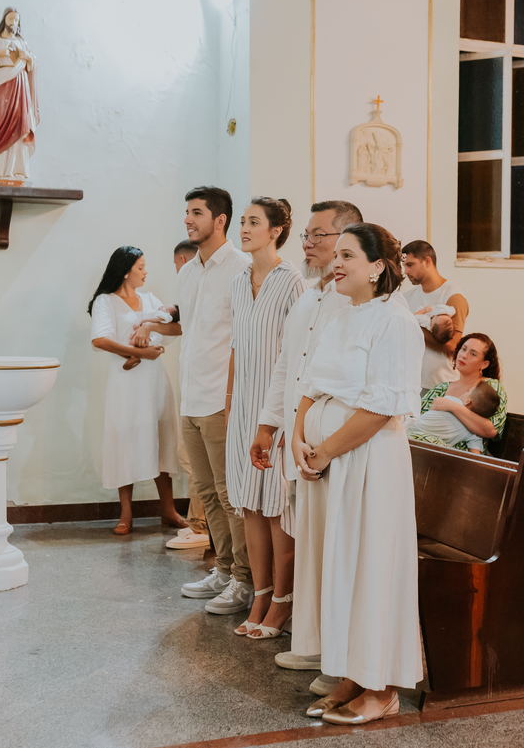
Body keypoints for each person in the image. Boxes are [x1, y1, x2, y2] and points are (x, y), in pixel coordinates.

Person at [291, 223, 424, 725]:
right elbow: (313, 383)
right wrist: (302, 437)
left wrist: (323, 451)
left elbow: (382, 408)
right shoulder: (344, 313)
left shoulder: (395, 322)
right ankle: (350, 673)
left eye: (348, 255)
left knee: (370, 567)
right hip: (330, 459)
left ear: (378, 267)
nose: (336, 263)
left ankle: (382, 685)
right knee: (339, 566)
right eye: (336, 255)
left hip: (368, 462)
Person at [250, 200, 363, 689]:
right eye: (308, 236)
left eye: (320, 236)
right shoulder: (309, 297)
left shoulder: (358, 301)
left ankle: (338, 654)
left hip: (337, 443)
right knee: (309, 542)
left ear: (345, 240)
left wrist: (313, 437)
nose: (309, 244)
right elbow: (286, 367)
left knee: (333, 548)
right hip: (301, 439)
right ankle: (313, 642)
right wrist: (269, 425)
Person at [172, 186, 255, 615]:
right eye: (187, 212)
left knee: (229, 494)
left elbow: (244, 340)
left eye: (197, 212)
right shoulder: (188, 272)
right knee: (205, 492)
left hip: (222, 401)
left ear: (220, 220)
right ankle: (223, 570)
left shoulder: (242, 269)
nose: (188, 219)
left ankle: (245, 580)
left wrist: (231, 396)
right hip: (191, 396)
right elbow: (191, 334)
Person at [225, 198, 305, 639]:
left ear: (276, 231)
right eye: (243, 222)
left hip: (275, 409)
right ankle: (260, 592)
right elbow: (237, 345)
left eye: (254, 222)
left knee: (276, 507)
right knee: (249, 505)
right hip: (243, 408)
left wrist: (277, 418)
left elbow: (294, 355)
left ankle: (282, 602)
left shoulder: (292, 281)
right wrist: (230, 400)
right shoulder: (239, 282)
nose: (245, 229)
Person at [88, 247, 189, 535]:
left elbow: (176, 327)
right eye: (141, 267)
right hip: (127, 383)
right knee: (126, 440)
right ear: (125, 270)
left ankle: (168, 510)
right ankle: (126, 513)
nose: (146, 272)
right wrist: (138, 353)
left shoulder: (148, 299)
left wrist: (148, 325)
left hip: (154, 379)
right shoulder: (105, 302)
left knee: (161, 437)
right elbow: (100, 340)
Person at [165, 239, 211, 550]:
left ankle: (201, 525)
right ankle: (199, 523)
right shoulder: (195, 287)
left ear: (183, 260)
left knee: (195, 461)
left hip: (210, 388)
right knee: (189, 457)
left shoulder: (201, 281)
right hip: (194, 384)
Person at [414, 333, 508, 453]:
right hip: (423, 445)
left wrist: (452, 406)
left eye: (473, 354)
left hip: (461, 454)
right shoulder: (442, 388)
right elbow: (419, 418)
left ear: (484, 364)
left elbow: (490, 430)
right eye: (463, 349)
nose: (464, 355)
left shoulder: (491, 387)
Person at [0, 7, 38, 182]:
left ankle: (15, 169)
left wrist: (27, 57)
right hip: (0, 87)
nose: (14, 23)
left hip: (19, 88)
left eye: (16, 20)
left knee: (19, 125)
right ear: (4, 20)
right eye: (11, 19)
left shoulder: (21, 43)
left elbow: (32, 63)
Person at [402, 240, 470, 389]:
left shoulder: (453, 296)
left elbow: (453, 347)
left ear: (427, 261)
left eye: (410, 265)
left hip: (440, 383)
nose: (405, 271)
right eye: (404, 266)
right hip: (411, 382)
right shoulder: (406, 297)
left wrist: (413, 326)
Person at [407, 379, 500, 453]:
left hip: (410, 428)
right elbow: (476, 456)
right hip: (430, 447)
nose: (465, 392)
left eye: (468, 391)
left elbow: (432, 408)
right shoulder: (474, 433)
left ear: (467, 401)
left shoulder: (450, 400)